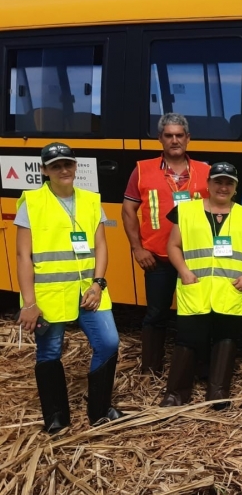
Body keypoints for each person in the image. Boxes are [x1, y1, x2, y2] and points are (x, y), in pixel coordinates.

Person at [16, 143, 122, 432]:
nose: (63, 170)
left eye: (67, 164)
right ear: (44, 170)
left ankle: (100, 411)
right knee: (49, 352)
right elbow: (23, 256)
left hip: (89, 291)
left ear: (75, 166)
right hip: (49, 295)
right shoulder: (31, 203)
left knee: (109, 342)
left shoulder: (91, 200)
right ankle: (56, 417)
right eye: (55, 166)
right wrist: (29, 303)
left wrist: (98, 284)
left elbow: (101, 245)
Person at [160, 162, 242, 409]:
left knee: (226, 338)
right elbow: (173, 245)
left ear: (236, 188)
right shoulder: (186, 211)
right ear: (208, 184)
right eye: (218, 181)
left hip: (232, 289)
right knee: (187, 338)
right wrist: (183, 271)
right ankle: (176, 394)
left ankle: (218, 392)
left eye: (229, 183)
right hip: (196, 286)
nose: (223, 187)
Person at [122, 113, 210, 374]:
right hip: (156, 258)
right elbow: (128, 211)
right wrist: (137, 249)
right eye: (169, 135)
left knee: (195, 315)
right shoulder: (142, 170)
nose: (174, 140)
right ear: (160, 138)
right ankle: (151, 370)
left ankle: (194, 370)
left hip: (194, 259)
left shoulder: (205, 171)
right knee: (156, 315)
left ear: (188, 138)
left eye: (179, 135)